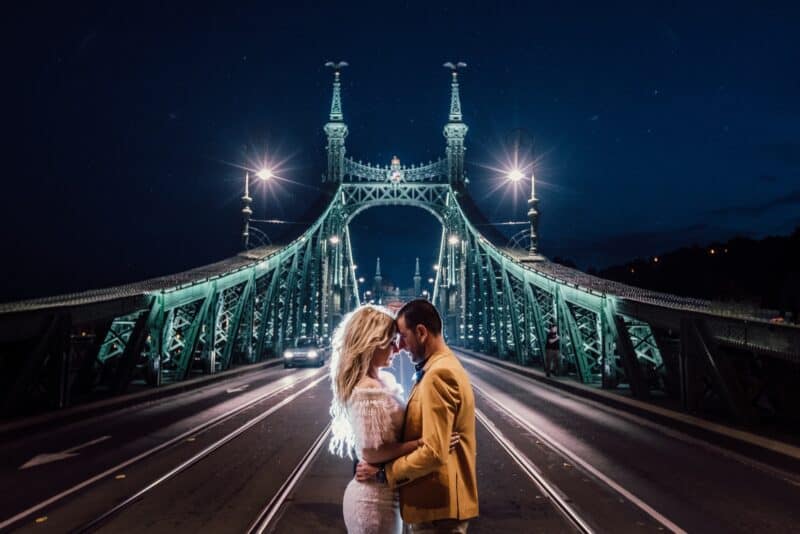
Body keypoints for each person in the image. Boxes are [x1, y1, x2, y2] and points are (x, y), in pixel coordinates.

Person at [328, 304, 460, 534]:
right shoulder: (367, 392)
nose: (397, 348)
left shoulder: (382, 383)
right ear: (372, 344)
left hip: (386, 495)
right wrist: (421, 444)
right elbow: (371, 453)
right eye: (390, 342)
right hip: (372, 503)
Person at [356, 299, 479, 533]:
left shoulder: (438, 374)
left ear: (421, 332)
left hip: (438, 512)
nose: (400, 347)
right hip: (437, 507)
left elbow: (433, 452)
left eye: (403, 337)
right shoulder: (439, 367)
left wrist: (383, 474)